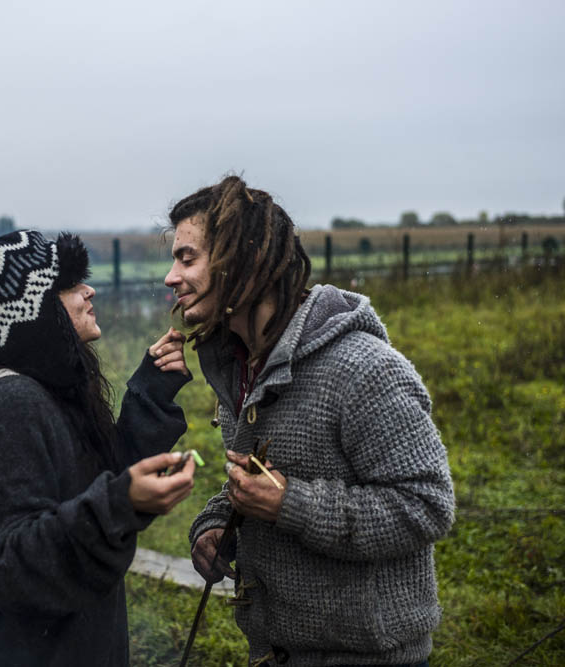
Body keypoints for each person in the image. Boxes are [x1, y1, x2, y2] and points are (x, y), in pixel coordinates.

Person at [165, 176, 455, 667]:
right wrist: (216, 526)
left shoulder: (364, 369)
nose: (171, 277)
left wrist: (289, 505)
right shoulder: (243, 365)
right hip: (275, 654)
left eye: (187, 258)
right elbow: (262, 476)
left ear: (241, 259)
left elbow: (427, 505)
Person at [0, 229, 197, 666]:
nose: (89, 290)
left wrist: (150, 393)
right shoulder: (11, 404)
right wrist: (118, 505)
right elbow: (8, 565)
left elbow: (92, 484)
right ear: (32, 313)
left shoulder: (48, 393)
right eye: (67, 284)